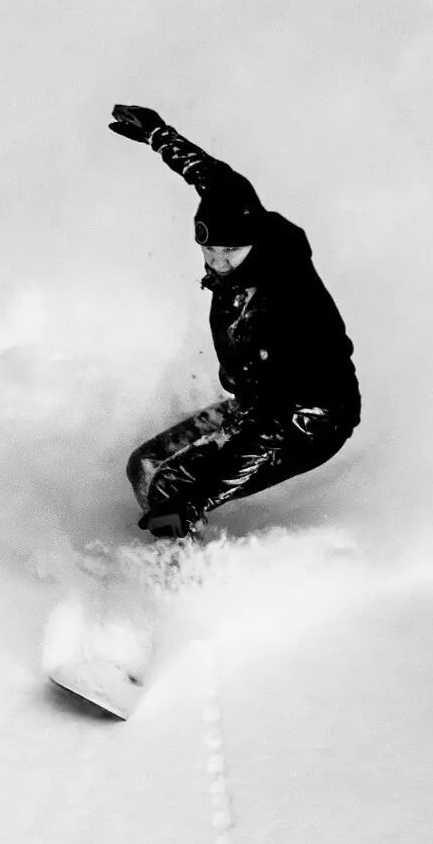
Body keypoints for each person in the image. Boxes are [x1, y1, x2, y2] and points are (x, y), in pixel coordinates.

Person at [110, 103, 360, 539]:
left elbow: (272, 429)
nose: (220, 263)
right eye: (211, 251)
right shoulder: (241, 209)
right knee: (144, 465)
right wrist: (156, 133)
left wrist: (196, 501)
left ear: (253, 243)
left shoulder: (284, 304)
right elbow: (210, 176)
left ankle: (189, 578)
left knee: (171, 489)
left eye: (231, 252)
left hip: (309, 419)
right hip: (260, 401)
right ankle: (178, 527)